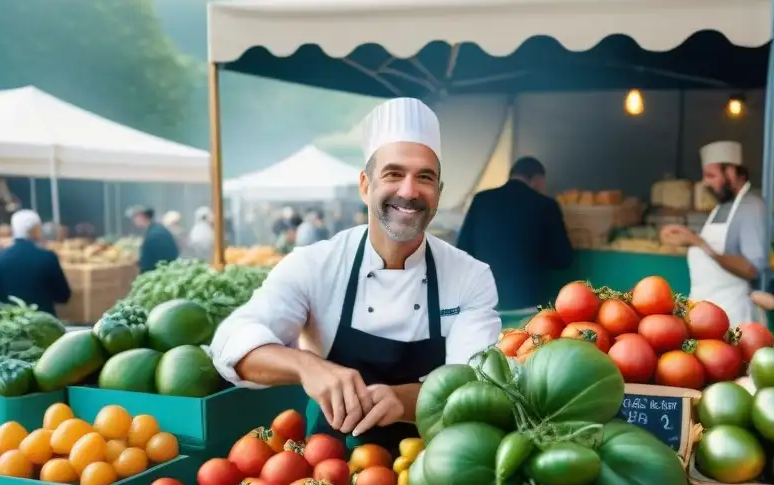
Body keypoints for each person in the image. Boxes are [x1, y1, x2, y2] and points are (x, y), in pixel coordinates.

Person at [210, 97, 501, 450]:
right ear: (365, 185)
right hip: (326, 468)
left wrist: (403, 401)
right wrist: (307, 366)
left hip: (433, 467)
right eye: (394, 174)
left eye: (424, 177)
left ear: (438, 194)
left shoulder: (470, 277)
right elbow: (230, 343)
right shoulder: (314, 265)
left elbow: (475, 386)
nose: (409, 191)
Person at [457, 157, 573, 327]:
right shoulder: (546, 205)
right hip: (528, 306)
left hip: (484, 305)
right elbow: (563, 259)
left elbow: (463, 250)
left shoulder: (481, 200)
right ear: (537, 180)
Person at [661, 141, 768, 326]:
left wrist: (700, 243)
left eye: (711, 176)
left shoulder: (751, 206)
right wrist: (688, 239)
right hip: (702, 311)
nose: (706, 183)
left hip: (730, 316)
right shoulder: (721, 206)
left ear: (731, 173)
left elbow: (751, 268)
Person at [0, 210, 71, 316]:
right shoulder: (47, 257)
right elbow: (63, 296)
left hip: (9, 324)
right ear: (35, 230)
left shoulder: (0, 259)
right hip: (44, 326)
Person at [129, 206, 179, 273]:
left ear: (142, 217)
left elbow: (146, 263)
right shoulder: (158, 229)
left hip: (161, 272)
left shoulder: (153, 236)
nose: (133, 221)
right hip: (170, 268)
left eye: (135, 217)